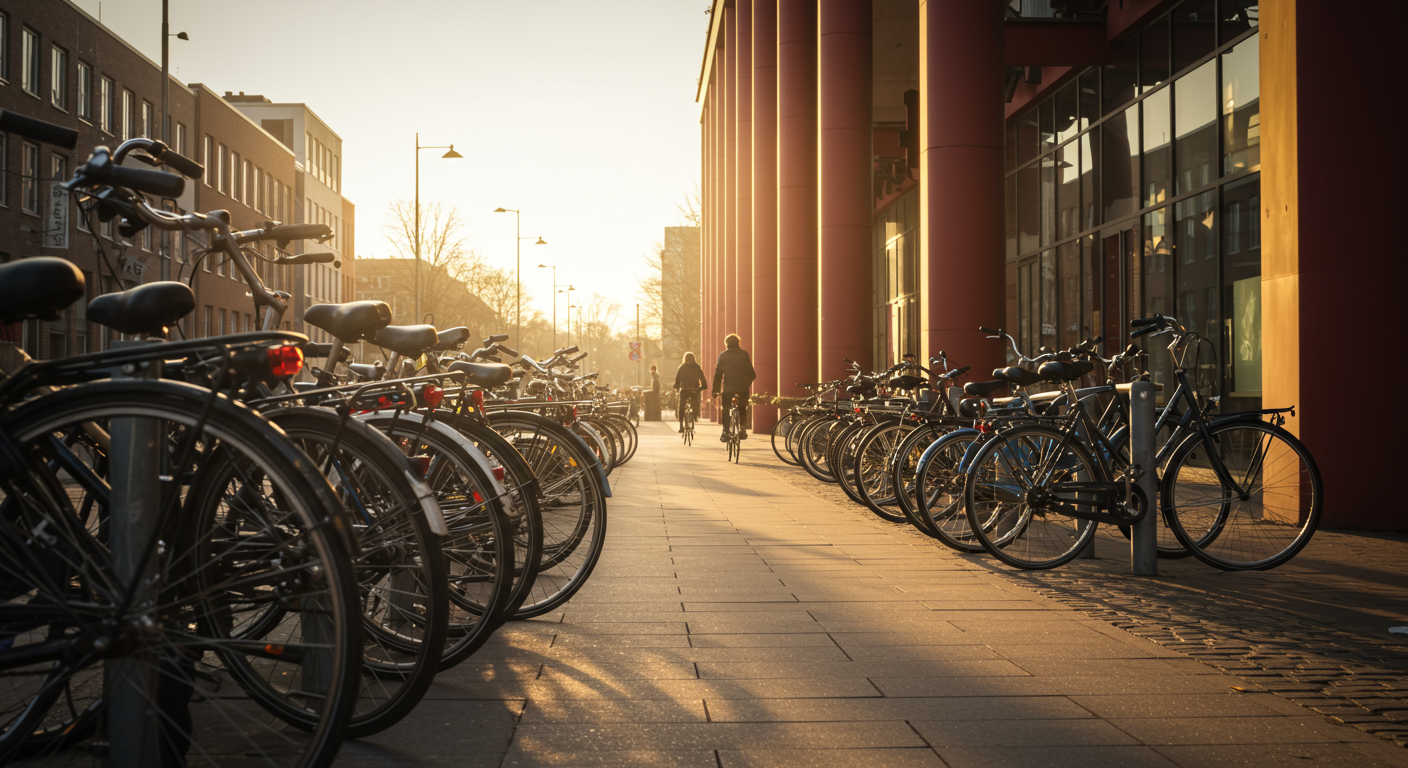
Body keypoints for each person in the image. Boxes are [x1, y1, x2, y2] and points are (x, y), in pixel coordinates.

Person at [711, 333, 756, 441]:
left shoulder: (723, 355)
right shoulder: (744, 354)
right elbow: (752, 374)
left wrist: (715, 390)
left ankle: (725, 431)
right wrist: (746, 383)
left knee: (726, 408)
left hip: (728, 388)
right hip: (742, 388)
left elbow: (718, 374)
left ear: (726, 344)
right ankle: (742, 429)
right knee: (742, 407)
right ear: (738, 343)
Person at [673, 352, 708, 433]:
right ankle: (695, 415)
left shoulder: (682, 367)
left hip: (684, 389)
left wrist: (677, 387)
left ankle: (681, 426)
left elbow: (677, 380)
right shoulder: (697, 367)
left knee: (681, 406)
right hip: (694, 390)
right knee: (695, 404)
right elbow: (703, 379)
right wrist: (701, 387)